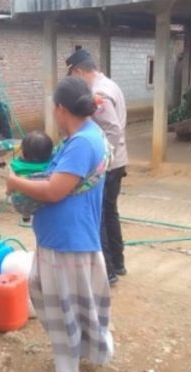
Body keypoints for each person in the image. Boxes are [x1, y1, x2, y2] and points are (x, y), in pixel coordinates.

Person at [6, 77, 114, 372]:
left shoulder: (81, 143)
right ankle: (82, 353)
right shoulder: (84, 135)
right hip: (66, 237)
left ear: (61, 108)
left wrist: (15, 182)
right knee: (71, 301)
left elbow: (54, 191)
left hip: (67, 240)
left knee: (61, 304)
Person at [66, 48, 129, 285]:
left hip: (108, 165)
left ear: (80, 71)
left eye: (73, 75)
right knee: (110, 213)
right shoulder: (110, 84)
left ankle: (108, 272)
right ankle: (119, 264)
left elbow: (113, 129)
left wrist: (101, 159)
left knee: (99, 216)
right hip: (118, 161)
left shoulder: (98, 93)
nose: (73, 80)